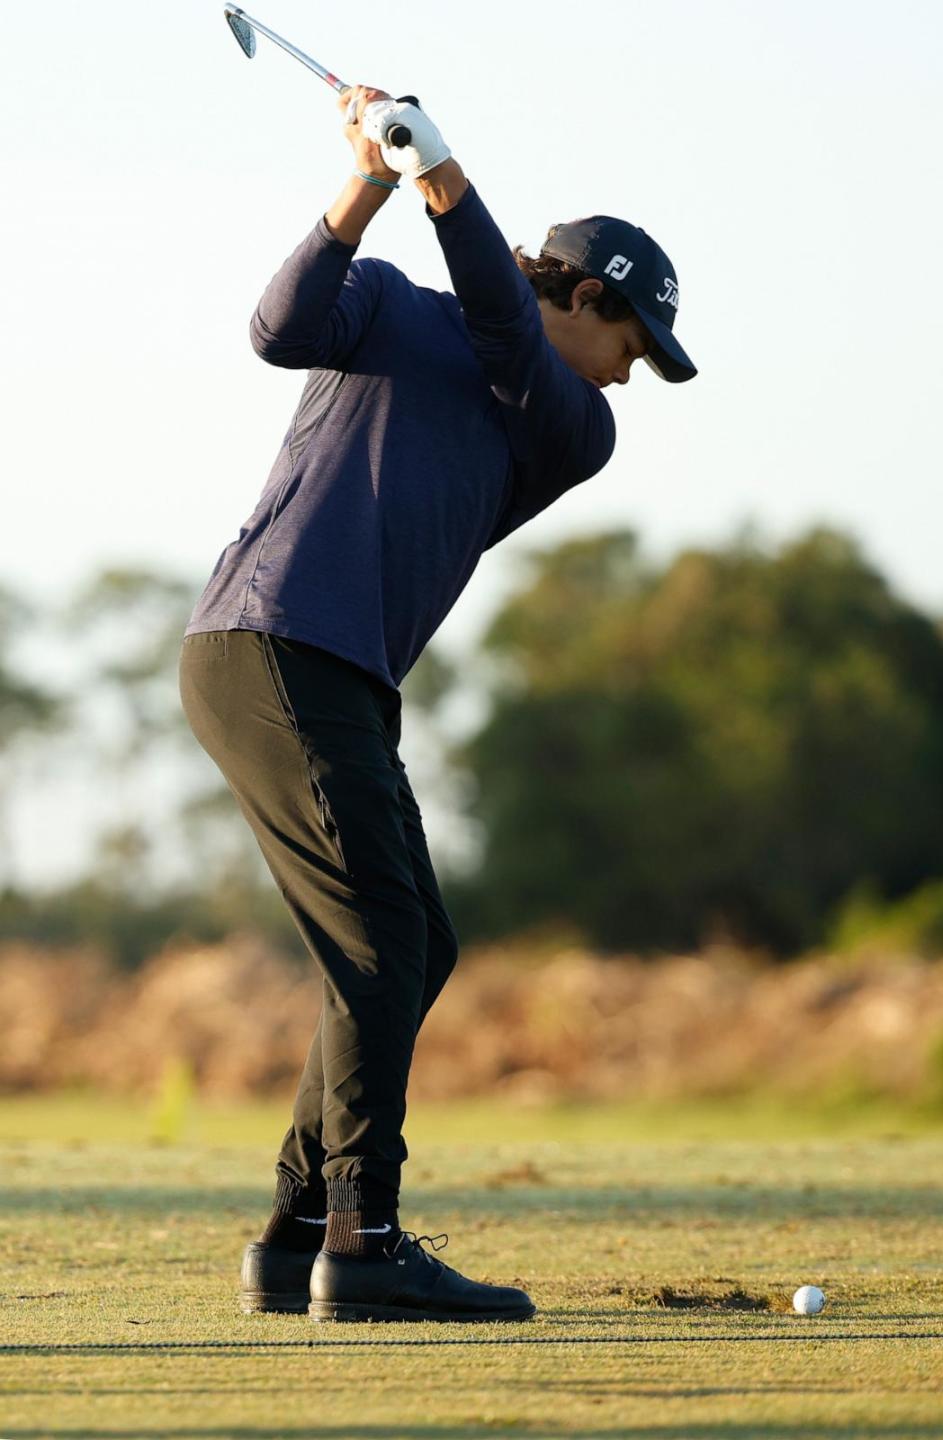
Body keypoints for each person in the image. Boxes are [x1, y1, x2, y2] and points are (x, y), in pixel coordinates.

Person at [178, 85, 696, 1325]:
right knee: (377, 943)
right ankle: (362, 1241)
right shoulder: (399, 311)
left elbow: (508, 334)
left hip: (337, 671)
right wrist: (370, 179)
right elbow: (279, 325)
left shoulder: (565, 421)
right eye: (634, 348)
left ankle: (302, 1228)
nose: (630, 382)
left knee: (419, 945)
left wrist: (444, 179)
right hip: (273, 641)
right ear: (590, 294)